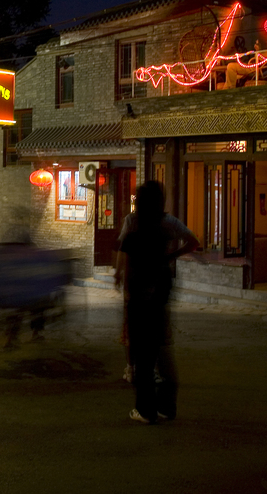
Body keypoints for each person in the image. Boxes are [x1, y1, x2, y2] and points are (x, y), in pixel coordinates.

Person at [117, 181, 199, 424]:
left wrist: (124, 288)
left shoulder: (133, 226)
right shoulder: (167, 226)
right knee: (162, 350)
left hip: (139, 297)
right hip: (161, 293)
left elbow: (128, 262)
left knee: (143, 355)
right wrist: (171, 256)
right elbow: (193, 241)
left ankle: (146, 410)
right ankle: (167, 407)